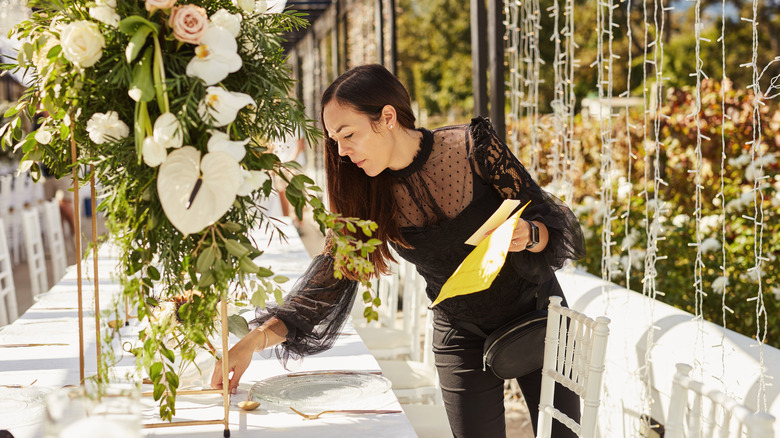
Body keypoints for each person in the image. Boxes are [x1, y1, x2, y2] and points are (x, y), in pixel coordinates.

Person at [211, 64, 585, 437]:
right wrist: (253, 341)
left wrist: (530, 233)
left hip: (539, 314)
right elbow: (329, 278)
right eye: (334, 140)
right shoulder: (365, 193)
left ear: (387, 117)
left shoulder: (472, 148)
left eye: (347, 134)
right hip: (460, 332)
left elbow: (545, 218)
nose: (341, 152)